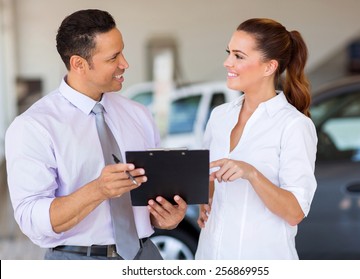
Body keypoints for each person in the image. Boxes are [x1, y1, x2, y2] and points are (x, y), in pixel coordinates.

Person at [5, 9, 187, 260]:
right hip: (76, 261)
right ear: (79, 64)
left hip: (145, 256)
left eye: (122, 51)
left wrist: (165, 217)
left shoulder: (138, 114)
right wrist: (99, 190)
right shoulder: (34, 127)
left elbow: (153, 198)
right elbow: (31, 218)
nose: (125, 64)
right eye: (113, 57)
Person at [195, 18, 317, 260]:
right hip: (210, 257)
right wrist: (204, 196)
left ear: (269, 67)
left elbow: (295, 212)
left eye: (239, 56)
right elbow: (209, 173)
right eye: (229, 53)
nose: (227, 62)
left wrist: (251, 173)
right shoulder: (219, 117)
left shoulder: (294, 126)